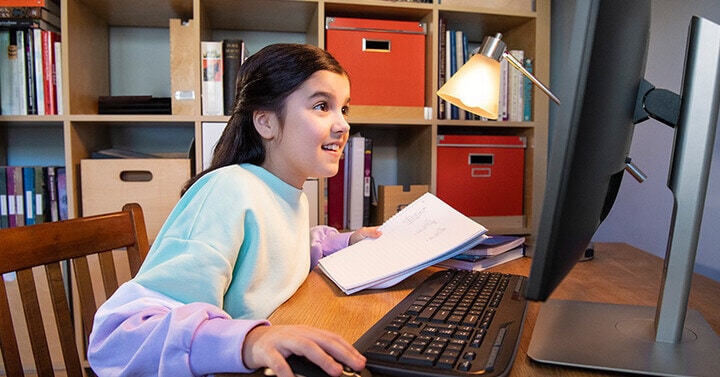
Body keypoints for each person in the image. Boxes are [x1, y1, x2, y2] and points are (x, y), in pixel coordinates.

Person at [87, 43, 381, 377]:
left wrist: (345, 243)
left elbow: (283, 251)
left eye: (344, 109)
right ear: (266, 122)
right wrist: (251, 341)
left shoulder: (287, 192)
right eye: (321, 106)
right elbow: (115, 340)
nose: (343, 125)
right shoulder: (228, 191)